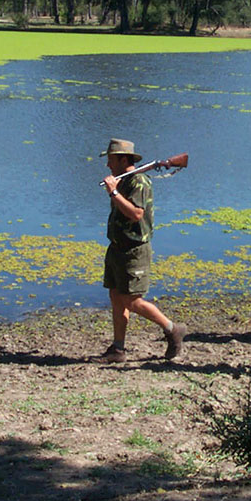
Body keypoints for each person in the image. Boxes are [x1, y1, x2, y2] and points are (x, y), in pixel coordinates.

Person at [90, 138, 186, 363]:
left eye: (111, 160)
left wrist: (114, 193)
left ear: (124, 159)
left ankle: (172, 329)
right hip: (117, 247)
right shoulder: (122, 180)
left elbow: (136, 214)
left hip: (134, 250)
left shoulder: (139, 182)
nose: (108, 165)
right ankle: (118, 349)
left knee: (131, 300)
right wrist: (115, 189)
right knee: (116, 296)